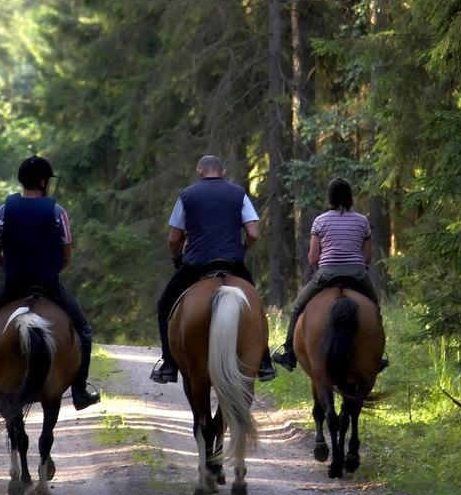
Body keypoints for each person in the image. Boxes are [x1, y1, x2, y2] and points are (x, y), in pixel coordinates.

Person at [0, 156, 101, 410]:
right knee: (83, 331)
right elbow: (67, 255)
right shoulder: (57, 212)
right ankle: (80, 390)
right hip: (49, 285)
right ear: (43, 181)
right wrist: (51, 271)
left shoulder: (3, 211)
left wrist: (9, 268)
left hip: (14, 285)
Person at [150, 155, 277, 384]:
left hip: (196, 265)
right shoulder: (239, 194)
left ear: (199, 170)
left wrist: (176, 257)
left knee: (164, 305)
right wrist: (242, 249)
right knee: (255, 305)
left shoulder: (187, 195)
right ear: (223, 171)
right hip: (232, 263)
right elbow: (254, 233)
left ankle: (169, 364)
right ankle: (265, 363)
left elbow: (173, 238)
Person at [272, 177, 385, 372]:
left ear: (330, 198)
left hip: (327, 275)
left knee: (298, 306)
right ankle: (378, 355)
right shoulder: (362, 221)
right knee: (374, 309)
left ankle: (289, 353)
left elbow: (313, 258)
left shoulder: (320, 221)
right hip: (357, 275)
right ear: (350, 197)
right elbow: (367, 258)